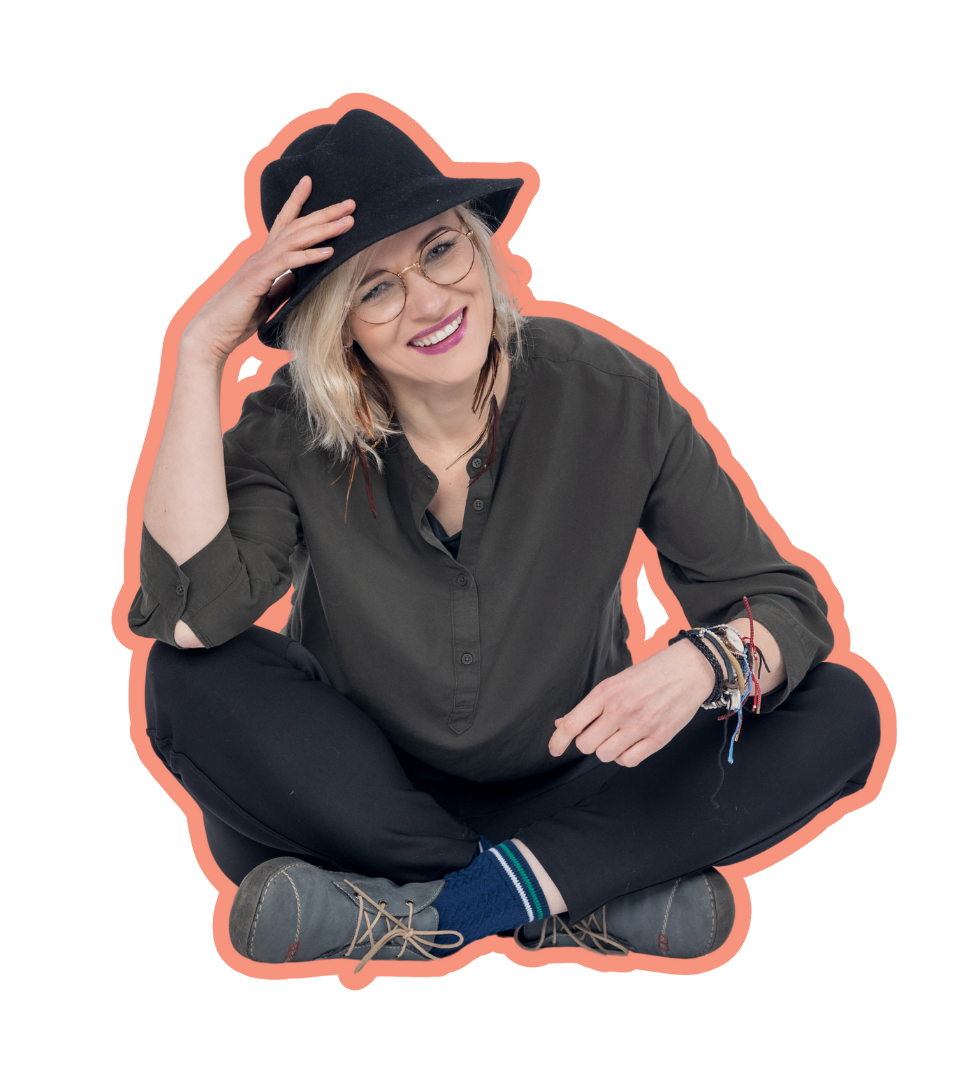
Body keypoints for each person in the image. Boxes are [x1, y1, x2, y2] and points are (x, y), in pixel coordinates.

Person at [129, 105, 882, 973]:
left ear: (476, 244)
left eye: (439, 249)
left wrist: (703, 663)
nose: (430, 300)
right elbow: (191, 615)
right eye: (374, 288)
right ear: (336, 325)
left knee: (836, 709)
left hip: (581, 788)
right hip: (356, 803)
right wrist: (196, 351)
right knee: (186, 676)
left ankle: (419, 911)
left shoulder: (605, 390)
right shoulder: (287, 429)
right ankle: (565, 898)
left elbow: (780, 603)